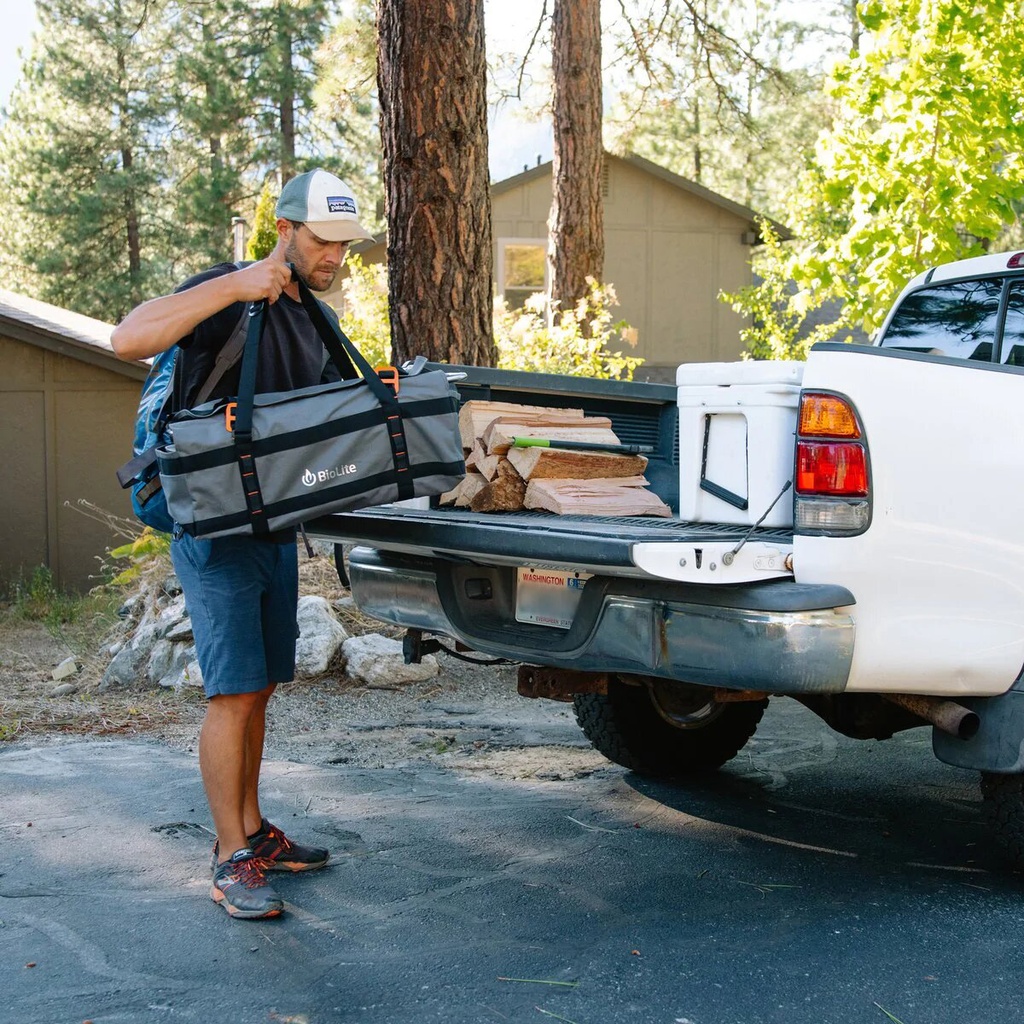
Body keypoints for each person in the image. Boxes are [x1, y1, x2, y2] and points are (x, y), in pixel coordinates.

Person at [111, 169, 375, 919]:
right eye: (323, 242)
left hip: (269, 525)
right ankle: (228, 858)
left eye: (345, 247)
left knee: (258, 686)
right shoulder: (229, 289)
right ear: (286, 231)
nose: (335, 259)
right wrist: (234, 287)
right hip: (211, 524)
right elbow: (129, 338)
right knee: (231, 694)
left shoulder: (310, 319)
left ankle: (254, 832)